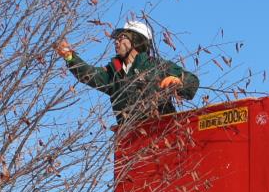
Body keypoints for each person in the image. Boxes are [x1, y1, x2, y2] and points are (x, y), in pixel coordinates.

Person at [54, 19, 200, 126]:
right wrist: (69, 56)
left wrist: (178, 82)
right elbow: (89, 74)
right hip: (130, 140)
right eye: (116, 39)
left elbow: (192, 81)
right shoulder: (114, 73)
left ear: (136, 41)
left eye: (122, 37)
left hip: (162, 134)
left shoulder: (156, 66)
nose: (116, 42)